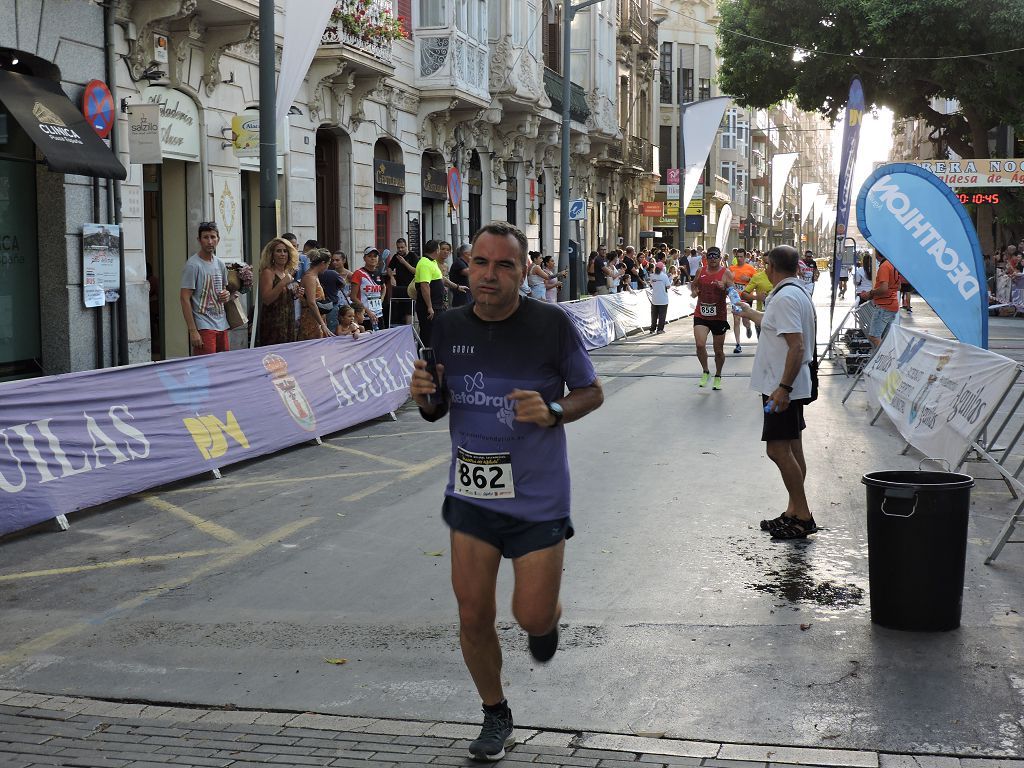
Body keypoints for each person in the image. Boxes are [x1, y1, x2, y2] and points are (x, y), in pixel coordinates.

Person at [409, 221, 604, 762]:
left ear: (523, 273)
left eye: (503, 266)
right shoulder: (444, 326)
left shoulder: (551, 326)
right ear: (466, 266)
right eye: (480, 263)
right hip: (472, 495)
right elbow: (436, 409)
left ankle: (546, 620)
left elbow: (592, 391)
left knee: (531, 616)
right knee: (473, 615)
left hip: (538, 496)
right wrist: (425, 397)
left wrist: (556, 409)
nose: (489, 275)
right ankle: (496, 713)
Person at [735, 245, 818, 540]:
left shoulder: (785, 298)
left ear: (770, 266)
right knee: (793, 448)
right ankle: (793, 510)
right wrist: (750, 313)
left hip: (782, 386)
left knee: (778, 450)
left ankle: (803, 516)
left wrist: (782, 389)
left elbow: (796, 345)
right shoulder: (793, 293)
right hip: (786, 384)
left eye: (765, 264)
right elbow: (775, 328)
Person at [180, 221, 233, 355]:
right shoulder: (193, 265)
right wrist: (193, 331)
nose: (210, 241)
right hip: (203, 325)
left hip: (222, 324)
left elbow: (224, 290)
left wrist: (226, 294)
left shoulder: (220, 263)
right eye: (205, 237)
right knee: (206, 369)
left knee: (223, 367)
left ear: (218, 239)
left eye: (213, 237)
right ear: (199, 240)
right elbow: (184, 298)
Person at [690, 246, 734, 390]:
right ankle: (706, 371)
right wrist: (695, 291)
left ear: (720, 258)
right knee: (700, 345)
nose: (713, 259)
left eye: (716, 257)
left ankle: (718, 375)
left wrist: (725, 288)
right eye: (710, 257)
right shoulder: (700, 271)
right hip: (701, 313)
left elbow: (733, 293)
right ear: (706, 258)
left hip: (718, 316)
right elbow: (694, 284)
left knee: (718, 351)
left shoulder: (726, 273)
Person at [414, 239, 468, 346]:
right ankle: (426, 359)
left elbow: (442, 279)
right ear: (436, 250)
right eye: (440, 248)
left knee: (437, 333)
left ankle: (434, 356)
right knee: (428, 335)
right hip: (429, 307)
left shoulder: (432, 262)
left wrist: (457, 287)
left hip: (437, 306)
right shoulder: (424, 263)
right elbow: (425, 286)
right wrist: (429, 307)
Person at [256, 236, 300, 347]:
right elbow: (266, 299)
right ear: (272, 254)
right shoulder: (268, 272)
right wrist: (282, 283)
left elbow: (283, 296)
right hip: (273, 324)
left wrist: (295, 294)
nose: (282, 254)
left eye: (285, 251)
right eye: (278, 251)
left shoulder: (287, 273)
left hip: (288, 321)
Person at [865, 252, 899, 346]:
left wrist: (871, 293)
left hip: (884, 306)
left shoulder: (884, 266)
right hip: (892, 305)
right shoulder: (893, 265)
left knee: (874, 337)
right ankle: (889, 358)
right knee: (885, 338)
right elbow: (898, 286)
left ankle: (883, 359)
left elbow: (884, 288)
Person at [297, 251, 334, 340]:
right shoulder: (310, 277)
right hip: (311, 318)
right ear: (322, 263)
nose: (327, 267)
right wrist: (322, 324)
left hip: (315, 317)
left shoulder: (313, 276)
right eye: (328, 264)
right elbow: (311, 302)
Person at [351, 247, 386, 331]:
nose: (373, 258)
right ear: (364, 258)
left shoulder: (378, 272)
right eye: (370, 256)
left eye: (375, 256)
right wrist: (367, 311)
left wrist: (381, 300)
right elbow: (353, 296)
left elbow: (384, 287)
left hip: (378, 314)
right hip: (364, 316)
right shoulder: (358, 273)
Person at [729, 249, 757, 353]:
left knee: (745, 320)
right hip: (735, 298)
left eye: (741, 257)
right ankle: (738, 344)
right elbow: (727, 281)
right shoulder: (731, 268)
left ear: (745, 257)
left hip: (746, 297)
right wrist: (731, 282)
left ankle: (748, 327)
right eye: (738, 257)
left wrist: (748, 279)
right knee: (736, 320)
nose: (739, 259)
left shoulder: (750, 269)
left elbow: (756, 282)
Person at [389, 237, 419, 325]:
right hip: (399, 287)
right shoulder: (396, 256)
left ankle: (410, 329)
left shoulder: (413, 256)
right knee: (399, 309)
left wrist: (404, 262)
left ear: (406, 246)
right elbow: (389, 268)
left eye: (402, 247)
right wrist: (391, 277)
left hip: (410, 287)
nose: (400, 250)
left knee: (409, 309)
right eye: (398, 248)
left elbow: (415, 271)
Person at [319, 251, 347, 333]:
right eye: (332, 260)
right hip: (332, 305)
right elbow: (343, 284)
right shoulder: (332, 273)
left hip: (320, 306)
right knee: (332, 330)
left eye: (337, 260)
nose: (334, 262)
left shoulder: (314, 274)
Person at [648, 261, 671, 334]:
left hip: (655, 298)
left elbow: (651, 284)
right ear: (662, 269)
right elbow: (668, 286)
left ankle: (652, 328)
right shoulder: (664, 276)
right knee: (662, 315)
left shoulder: (652, 276)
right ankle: (660, 329)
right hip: (663, 298)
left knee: (654, 315)